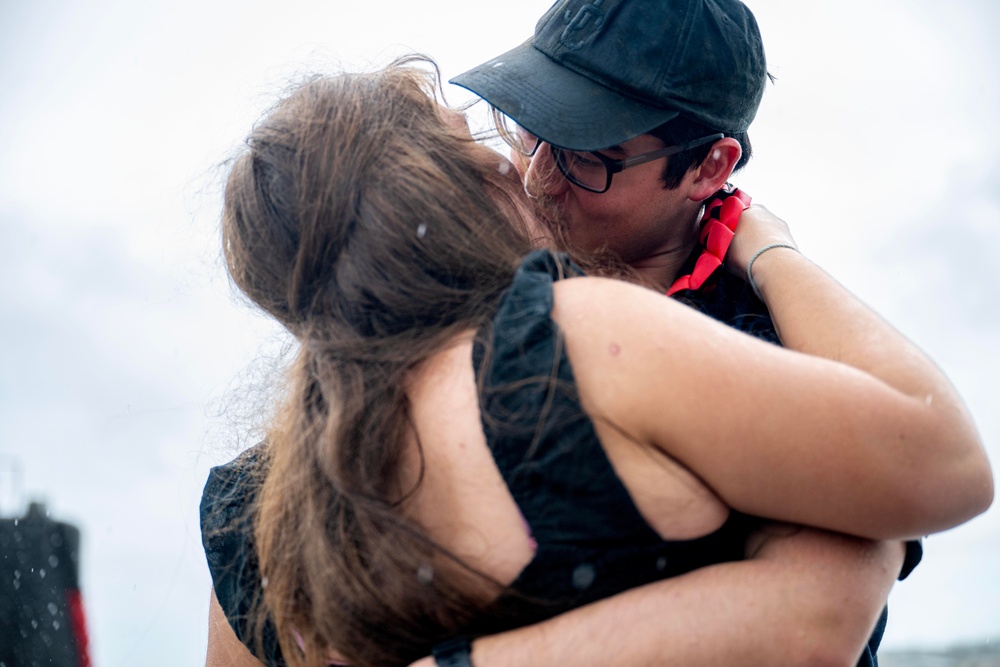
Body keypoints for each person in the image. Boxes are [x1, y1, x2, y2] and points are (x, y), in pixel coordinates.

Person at [200, 57, 992, 667]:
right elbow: (933, 474)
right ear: (439, 193)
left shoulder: (251, 511)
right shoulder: (569, 344)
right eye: (480, 139)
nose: (519, 165)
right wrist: (769, 245)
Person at [446, 0, 937, 663]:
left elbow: (822, 621)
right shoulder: (470, 291)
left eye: (588, 156)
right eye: (528, 129)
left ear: (710, 166)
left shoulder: (771, 349)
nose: (536, 178)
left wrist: (771, 252)